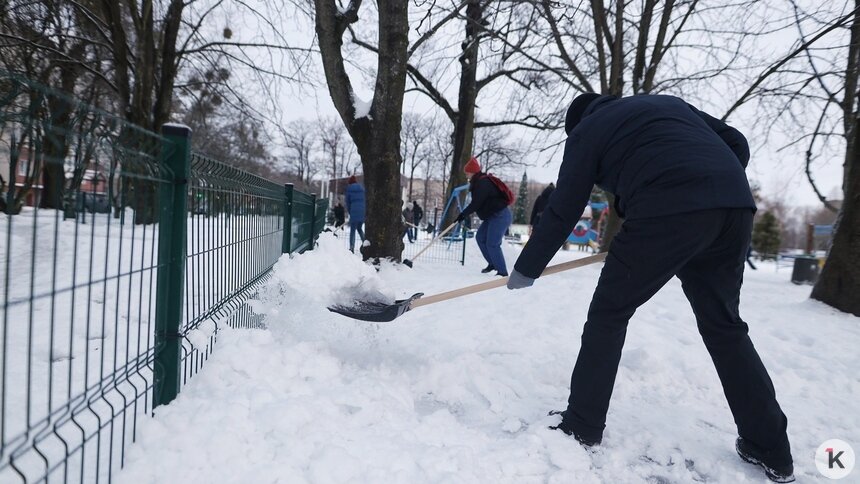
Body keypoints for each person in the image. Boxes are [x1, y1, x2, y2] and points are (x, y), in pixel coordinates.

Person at [506, 93, 794, 483]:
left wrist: (527, 268)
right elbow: (737, 142)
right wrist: (711, 186)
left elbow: (566, 203)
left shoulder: (586, 131)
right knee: (725, 326)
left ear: (577, 122)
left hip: (668, 206)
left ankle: (582, 425)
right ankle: (770, 448)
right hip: (734, 208)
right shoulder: (667, 105)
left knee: (609, 313)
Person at [456, 156, 513, 276]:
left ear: (472, 172)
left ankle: (502, 272)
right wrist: (463, 215)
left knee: (492, 243)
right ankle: (493, 263)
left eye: (467, 173)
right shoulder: (478, 183)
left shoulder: (483, 183)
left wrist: (463, 214)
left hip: (500, 216)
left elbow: (476, 203)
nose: (466, 175)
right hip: (492, 216)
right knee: (480, 238)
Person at [345, 175, 366, 253]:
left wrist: (350, 212)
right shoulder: (362, 189)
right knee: (359, 228)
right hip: (362, 211)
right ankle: (365, 243)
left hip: (354, 210)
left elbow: (348, 203)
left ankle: (351, 247)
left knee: (352, 230)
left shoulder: (349, 189)